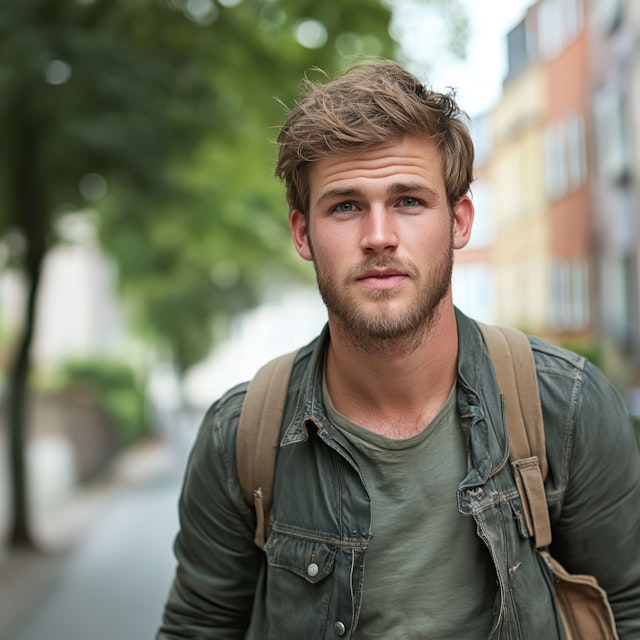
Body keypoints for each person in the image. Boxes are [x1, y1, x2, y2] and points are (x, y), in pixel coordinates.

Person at [157, 61, 640, 639]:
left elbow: (627, 612)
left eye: (409, 201)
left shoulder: (566, 409)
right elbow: (197, 629)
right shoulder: (241, 437)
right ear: (303, 233)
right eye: (345, 206)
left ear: (459, 221)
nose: (379, 235)